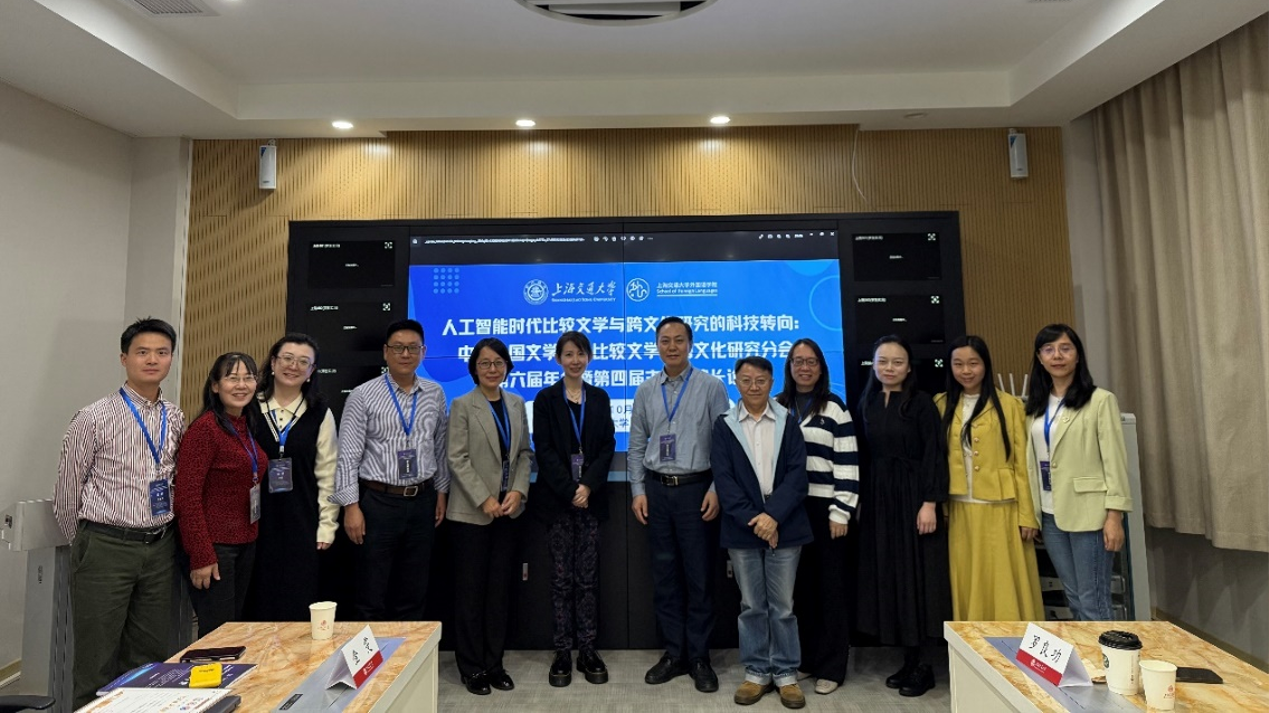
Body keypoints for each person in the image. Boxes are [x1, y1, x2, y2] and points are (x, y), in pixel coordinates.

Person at [54, 318, 187, 708]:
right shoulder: (93, 417)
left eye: (161, 352)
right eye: (142, 352)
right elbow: (66, 492)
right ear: (124, 358)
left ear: (171, 359)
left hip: (159, 547)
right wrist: (86, 545)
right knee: (96, 659)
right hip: (106, 546)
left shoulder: (175, 416)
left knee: (148, 658)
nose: (152, 360)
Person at [628, 316, 729, 693]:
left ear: (690, 344)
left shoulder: (711, 386)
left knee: (699, 576)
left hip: (696, 490)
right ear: (657, 345)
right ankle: (674, 653)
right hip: (657, 491)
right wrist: (638, 490)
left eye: (679, 340)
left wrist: (717, 488)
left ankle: (699, 656)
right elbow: (636, 444)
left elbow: (724, 444)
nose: (672, 347)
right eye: (665, 341)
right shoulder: (645, 390)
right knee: (665, 576)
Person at [331, 319, 450, 621]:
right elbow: (348, 455)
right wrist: (351, 507)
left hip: (423, 500)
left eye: (412, 348)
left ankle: (410, 653)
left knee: (414, 591)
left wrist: (441, 492)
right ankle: (372, 654)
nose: (405, 354)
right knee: (372, 592)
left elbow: (440, 446)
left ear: (423, 352)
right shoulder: (363, 395)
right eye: (398, 347)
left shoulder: (435, 393)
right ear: (386, 352)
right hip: (378, 503)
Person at [713, 356, 812, 710]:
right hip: (743, 528)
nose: (753, 386)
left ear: (771, 383)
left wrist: (773, 517)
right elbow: (724, 480)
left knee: (783, 606)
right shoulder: (725, 425)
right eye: (746, 380)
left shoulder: (788, 420)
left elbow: (798, 476)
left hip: (786, 526)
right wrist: (757, 520)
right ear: (736, 382)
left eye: (760, 380)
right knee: (751, 605)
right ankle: (756, 671)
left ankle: (785, 674)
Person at [854, 335, 950, 698]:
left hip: (913, 497)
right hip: (880, 499)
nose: (889, 368)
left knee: (917, 577)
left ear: (909, 367)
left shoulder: (922, 403)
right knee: (891, 575)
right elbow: (863, 456)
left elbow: (934, 454)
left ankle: (923, 663)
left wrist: (930, 502)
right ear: (874, 365)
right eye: (883, 361)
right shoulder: (867, 401)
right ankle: (908, 659)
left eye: (897, 362)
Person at [1025, 324, 1132, 621]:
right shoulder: (1035, 406)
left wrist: (1114, 516)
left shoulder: (1100, 401)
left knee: (1093, 599)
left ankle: (1106, 651)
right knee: (1073, 597)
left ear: (1078, 355)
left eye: (1065, 348)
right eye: (1049, 350)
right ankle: (1084, 650)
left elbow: (1114, 462)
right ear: (1040, 358)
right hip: (1050, 514)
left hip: (1090, 513)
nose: (1057, 356)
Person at [935, 335, 1043, 622]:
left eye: (973, 363)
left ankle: (1011, 641)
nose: (966, 371)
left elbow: (1022, 464)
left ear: (986, 365)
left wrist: (1028, 515)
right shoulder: (941, 404)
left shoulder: (1010, 405)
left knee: (1004, 582)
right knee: (968, 580)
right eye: (958, 364)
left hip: (1002, 508)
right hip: (959, 509)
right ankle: (972, 643)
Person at [446, 338, 533, 695]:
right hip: (472, 513)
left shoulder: (515, 403)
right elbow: (457, 458)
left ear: (507, 366)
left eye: (498, 362)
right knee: (470, 594)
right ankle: (472, 668)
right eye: (485, 363)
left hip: (508, 512)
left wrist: (518, 491)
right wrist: (484, 498)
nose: (492, 369)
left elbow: (524, 453)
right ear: (474, 368)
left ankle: (495, 664)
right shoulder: (462, 405)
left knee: (499, 593)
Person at [530, 331, 616, 687]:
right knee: (561, 580)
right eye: (568, 354)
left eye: (581, 354)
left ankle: (588, 649)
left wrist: (587, 486)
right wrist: (571, 490)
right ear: (558, 359)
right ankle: (563, 650)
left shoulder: (599, 397)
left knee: (587, 579)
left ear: (589, 358)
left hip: (591, 502)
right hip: (558, 503)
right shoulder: (545, 399)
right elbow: (544, 449)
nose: (575, 360)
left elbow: (608, 445)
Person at [775, 338, 859, 696]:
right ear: (789, 367)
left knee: (830, 590)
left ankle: (832, 667)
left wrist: (841, 511)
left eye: (811, 361)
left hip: (826, 511)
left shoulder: (835, 408)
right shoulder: (778, 406)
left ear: (821, 367)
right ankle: (807, 659)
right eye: (798, 361)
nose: (804, 367)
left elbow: (848, 463)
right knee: (801, 589)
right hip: (789, 510)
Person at [175, 352, 270, 638]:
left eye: (248, 378)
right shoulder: (205, 430)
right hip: (215, 548)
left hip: (244, 543)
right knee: (217, 635)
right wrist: (201, 555)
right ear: (215, 386)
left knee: (233, 631)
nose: (241, 385)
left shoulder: (244, 425)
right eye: (232, 378)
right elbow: (187, 497)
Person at [245, 334, 339, 621]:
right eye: (287, 358)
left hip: (302, 520)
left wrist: (327, 526)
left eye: (303, 362)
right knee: (257, 598)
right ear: (273, 363)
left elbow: (328, 474)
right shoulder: (249, 407)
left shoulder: (320, 413)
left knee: (297, 596)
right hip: (255, 520)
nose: (293, 366)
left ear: (312, 371)